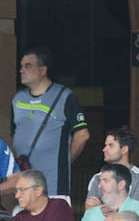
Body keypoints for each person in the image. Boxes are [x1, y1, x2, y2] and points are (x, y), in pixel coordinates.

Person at [11, 47, 89, 197]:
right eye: (21, 66)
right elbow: (13, 136)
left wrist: (64, 163)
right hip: (23, 188)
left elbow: (82, 135)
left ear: (42, 70)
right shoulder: (17, 99)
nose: (21, 70)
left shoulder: (65, 96)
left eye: (28, 66)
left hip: (53, 186)